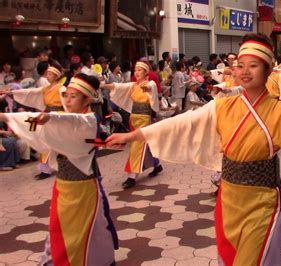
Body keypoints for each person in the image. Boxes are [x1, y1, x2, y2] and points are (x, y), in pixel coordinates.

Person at [105, 33, 281, 265]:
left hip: (262, 200)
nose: (244, 71)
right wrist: (133, 136)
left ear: (268, 71)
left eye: (254, 65)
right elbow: (181, 123)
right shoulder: (222, 106)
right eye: (240, 65)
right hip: (229, 198)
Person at [0, 74, 118, 265]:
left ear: (87, 99)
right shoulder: (59, 119)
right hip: (63, 187)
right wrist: (6, 116)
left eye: (74, 96)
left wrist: (49, 117)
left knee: (89, 229)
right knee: (61, 229)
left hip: (84, 188)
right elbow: (34, 119)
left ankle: (100, 260)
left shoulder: (89, 121)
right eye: (66, 95)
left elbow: (70, 122)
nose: (68, 100)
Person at [101, 61, 163, 189]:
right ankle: (157, 165)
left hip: (144, 119)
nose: (136, 72)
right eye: (135, 70)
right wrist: (102, 85)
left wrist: (148, 89)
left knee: (137, 145)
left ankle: (131, 177)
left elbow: (152, 88)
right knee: (146, 144)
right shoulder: (133, 85)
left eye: (140, 70)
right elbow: (116, 86)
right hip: (133, 118)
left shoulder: (149, 83)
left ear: (146, 72)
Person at [3, 62, 65, 180]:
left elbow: (67, 105)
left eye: (50, 74)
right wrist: (11, 92)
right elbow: (29, 92)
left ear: (56, 76)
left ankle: (61, 165)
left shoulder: (61, 89)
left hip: (59, 118)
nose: (47, 76)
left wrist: (66, 118)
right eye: (47, 74)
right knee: (45, 141)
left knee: (58, 143)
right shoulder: (46, 89)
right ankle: (46, 169)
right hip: (48, 117)